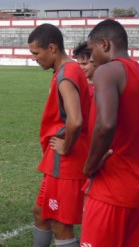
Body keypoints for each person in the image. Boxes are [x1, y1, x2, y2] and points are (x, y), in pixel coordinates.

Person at [27, 24, 91, 247]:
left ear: (52, 48)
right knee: (41, 212)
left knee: (61, 224)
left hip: (65, 162)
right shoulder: (65, 71)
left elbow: (75, 120)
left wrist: (66, 147)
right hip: (56, 162)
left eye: (36, 53)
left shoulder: (67, 73)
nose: (35, 58)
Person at [81, 19, 139, 247]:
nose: (91, 57)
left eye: (92, 49)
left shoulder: (107, 71)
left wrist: (89, 165)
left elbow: (106, 124)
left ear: (104, 44)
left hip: (111, 189)